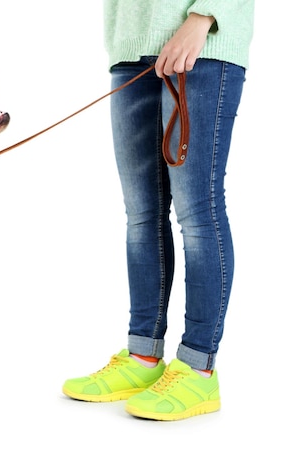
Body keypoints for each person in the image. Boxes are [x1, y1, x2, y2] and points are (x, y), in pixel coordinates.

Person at [62, 0, 254, 421]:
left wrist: (204, 16)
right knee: (141, 215)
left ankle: (199, 368)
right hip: (131, 50)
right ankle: (144, 357)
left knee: (198, 212)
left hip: (202, 44)